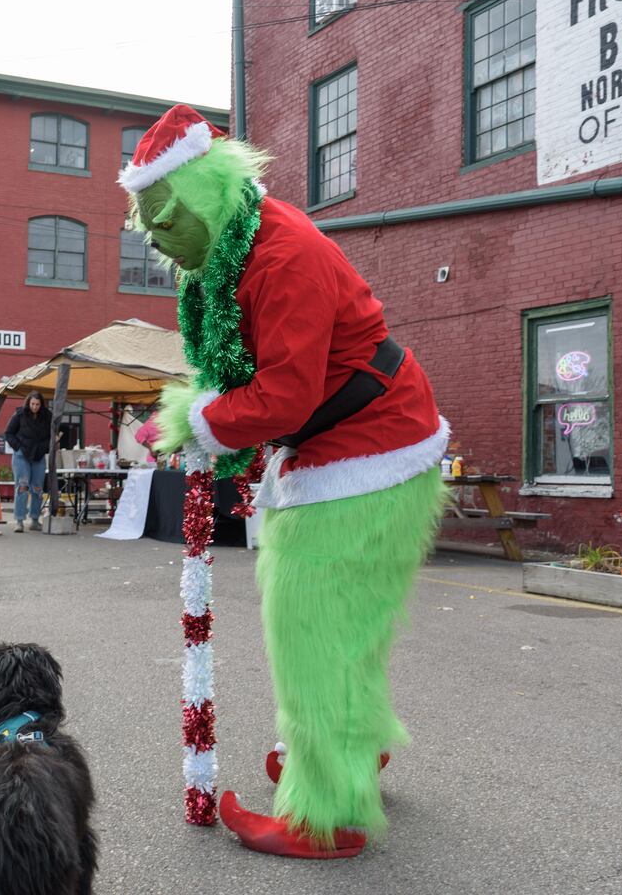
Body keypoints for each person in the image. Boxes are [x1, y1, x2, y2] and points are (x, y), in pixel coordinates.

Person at [125, 107, 447, 859]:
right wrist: (202, 415)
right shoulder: (246, 247)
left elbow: (285, 396)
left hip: (366, 450)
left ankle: (326, 812)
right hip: (367, 444)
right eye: (146, 223)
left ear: (200, 193)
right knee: (350, 632)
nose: (156, 237)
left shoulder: (281, 254)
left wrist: (195, 421)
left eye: (164, 215)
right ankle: (344, 757)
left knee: (311, 627)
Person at [3, 392, 51, 532]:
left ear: (41, 404)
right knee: (22, 487)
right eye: (32, 404)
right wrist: (18, 447)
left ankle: (35, 520)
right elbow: (8, 433)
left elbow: (52, 435)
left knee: (37, 488)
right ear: (28, 403)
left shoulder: (47, 416)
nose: (34, 407)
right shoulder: (19, 414)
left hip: (39, 456)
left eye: (37, 404)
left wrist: (44, 448)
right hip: (21, 455)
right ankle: (19, 520)